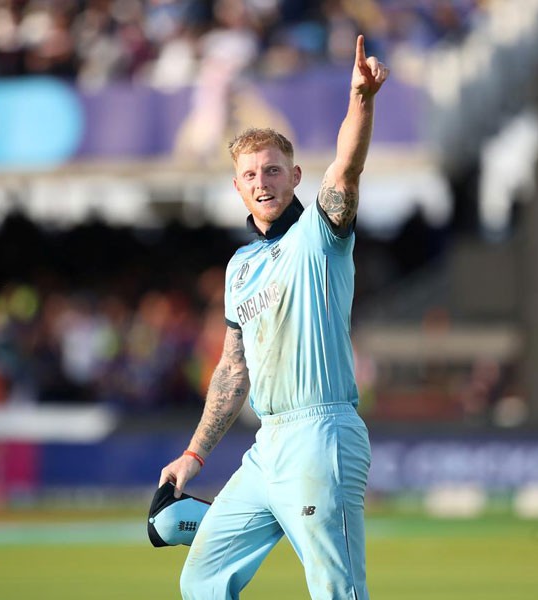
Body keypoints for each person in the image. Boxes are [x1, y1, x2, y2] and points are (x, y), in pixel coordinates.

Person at [159, 34, 389, 600]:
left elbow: (348, 170)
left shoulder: (320, 236)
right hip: (268, 447)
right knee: (202, 578)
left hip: (321, 432)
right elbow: (233, 371)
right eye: (251, 175)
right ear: (237, 187)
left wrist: (360, 98)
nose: (263, 181)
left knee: (338, 591)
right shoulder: (239, 267)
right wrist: (194, 454)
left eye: (273, 170)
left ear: (295, 176)